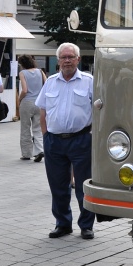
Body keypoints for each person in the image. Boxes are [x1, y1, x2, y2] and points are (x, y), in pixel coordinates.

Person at [36, 42, 95, 239]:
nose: (67, 60)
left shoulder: (89, 81)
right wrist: (45, 136)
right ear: (58, 60)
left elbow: (100, 109)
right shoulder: (50, 82)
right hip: (54, 141)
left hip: (81, 140)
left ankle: (86, 225)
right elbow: (42, 111)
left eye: (71, 57)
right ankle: (63, 224)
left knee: (83, 185)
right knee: (58, 186)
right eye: (64, 57)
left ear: (78, 59)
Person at [17, 55, 46, 162]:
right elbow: (47, 85)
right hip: (39, 102)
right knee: (38, 128)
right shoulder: (40, 71)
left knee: (25, 128)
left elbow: (25, 90)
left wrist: (19, 99)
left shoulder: (22, 73)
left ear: (22, 64)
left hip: (27, 102)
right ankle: (39, 150)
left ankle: (26, 153)